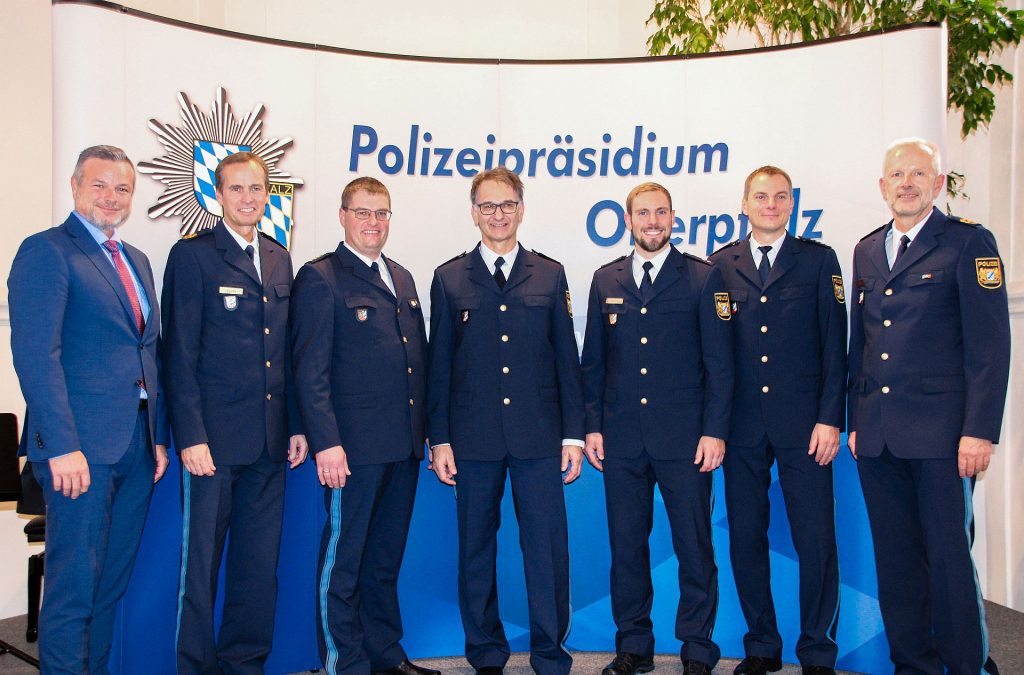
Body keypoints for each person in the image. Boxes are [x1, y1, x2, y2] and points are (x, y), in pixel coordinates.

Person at [848, 138, 1010, 675]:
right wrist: (856, 417)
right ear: (883, 186)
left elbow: (989, 346)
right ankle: (914, 665)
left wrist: (979, 430)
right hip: (878, 437)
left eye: (918, 174)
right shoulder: (867, 250)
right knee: (896, 566)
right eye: (897, 175)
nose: (907, 184)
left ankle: (968, 665)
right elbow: (861, 344)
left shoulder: (968, 243)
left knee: (948, 562)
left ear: (938, 184)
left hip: (944, 438)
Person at [9, 144, 170, 674]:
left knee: (108, 587)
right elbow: (37, 357)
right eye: (100, 185)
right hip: (79, 452)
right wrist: (62, 446)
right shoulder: (47, 251)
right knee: (73, 589)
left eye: (122, 188)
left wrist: (159, 436)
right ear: (75, 187)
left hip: (137, 448)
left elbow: (147, 351)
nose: (111, 196)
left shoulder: (137, 260)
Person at [426, 167, 585, 675]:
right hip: (471, 440)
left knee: (546, 551)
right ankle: (486, 653)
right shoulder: (449, 277)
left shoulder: (549, 273)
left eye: (507, 204)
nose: (498, 215)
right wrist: (440, 438)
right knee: (475, 550)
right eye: (488, 206)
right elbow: (439, 367)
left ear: (521, 208)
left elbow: (567, 359)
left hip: (539, 437)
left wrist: (573, 435)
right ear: (474, 212)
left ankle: (549, 653)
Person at [162, 151, 308, 674]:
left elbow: (285, 352)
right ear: (217, 195)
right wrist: (190, 435)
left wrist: (294, 425)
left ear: (267, 195)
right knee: (199, 569)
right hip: (213, 445)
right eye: (237, 189)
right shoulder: (193, 256)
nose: (248, 198)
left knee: (256, 568)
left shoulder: (278, 257)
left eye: (257, 189)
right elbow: (179, 354)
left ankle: (244, 664)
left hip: (270, 444)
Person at [580, 182, 733, 675]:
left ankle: (696, 648)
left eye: (660, 212)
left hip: (686, 440)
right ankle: (634, 646)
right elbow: (595, 364)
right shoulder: (606, 280)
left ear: (673, 218)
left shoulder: (702, 278)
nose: (652, 221)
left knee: (694, 546)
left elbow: (721, 365)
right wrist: (593, 427)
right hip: (622, 440)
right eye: (642, 213)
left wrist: (715, 430)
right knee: (627, 546)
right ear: (628, 221)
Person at [291, 177, 437, 675]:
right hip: (351, 451)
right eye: (363, 213)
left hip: (402, 447)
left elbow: (417, 361)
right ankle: (342, 662)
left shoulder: (402, 276)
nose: (373, 222)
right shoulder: (321, 278)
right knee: (344, 564)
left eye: (381, 213)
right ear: (342, 216)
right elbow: (310, 371)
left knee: (383, 564)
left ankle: (385, 655)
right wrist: (326, 443)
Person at [709, 167, 846, 675]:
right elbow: (713, 353)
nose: (770, 204)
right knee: (746, 537)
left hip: (806, 427)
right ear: (743, 203)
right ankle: (761, 646)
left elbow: (836, 345)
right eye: (760, 196)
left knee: (816, 541)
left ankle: (817, 651)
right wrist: (714, 425)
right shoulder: (719, 266)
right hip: (741, 428)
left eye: (780, 197)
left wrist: (830, 417)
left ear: (792, 204)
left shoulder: (817, 261)